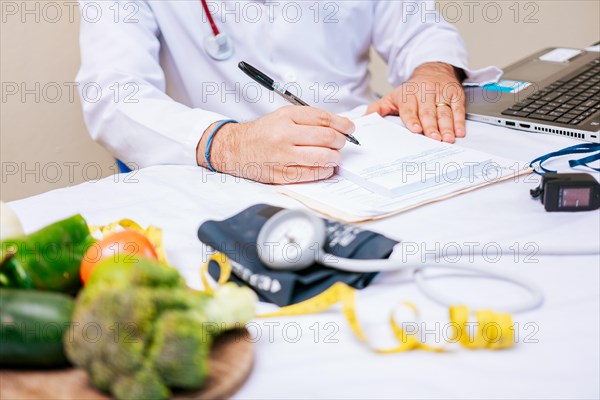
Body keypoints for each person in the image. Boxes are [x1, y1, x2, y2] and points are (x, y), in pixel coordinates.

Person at [77, 0, 481, 184]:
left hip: (363, 154)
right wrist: (230, 144)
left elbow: (419, 27)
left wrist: (432, 69)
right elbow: (113, 94)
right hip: (225, 176)